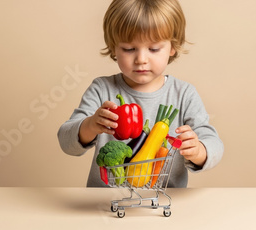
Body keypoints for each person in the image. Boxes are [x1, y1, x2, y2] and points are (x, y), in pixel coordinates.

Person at [57, 0, 223, 187]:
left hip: (164, 208)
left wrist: (200, 151)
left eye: (153, 49)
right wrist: (89, 126)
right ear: (113, 47)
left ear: (173, 47)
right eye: (129, 49)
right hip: (106, 204)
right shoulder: (102, 89)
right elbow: (66, 141)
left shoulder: (184, 94)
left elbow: (214, 143)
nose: (141, 59)